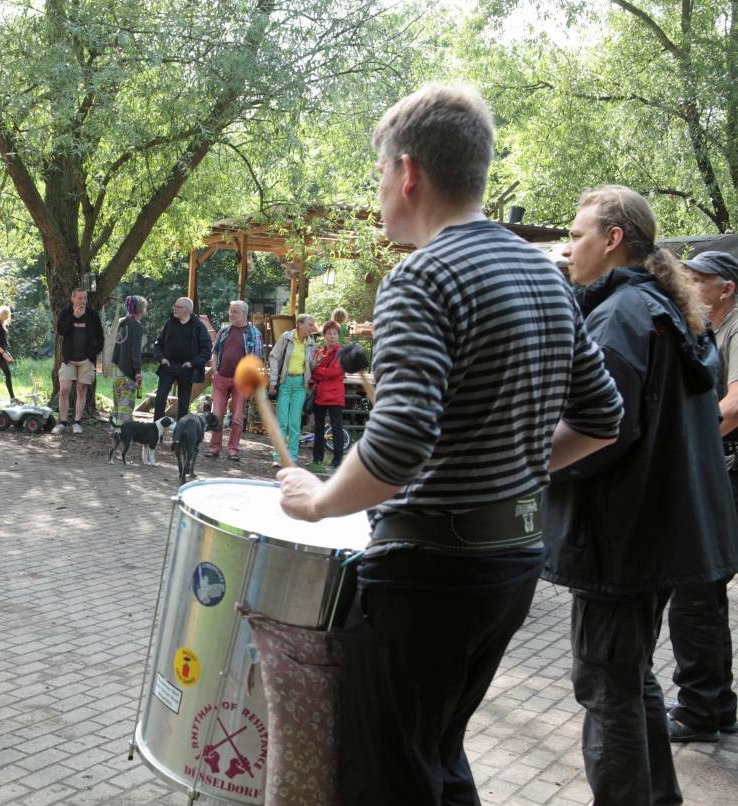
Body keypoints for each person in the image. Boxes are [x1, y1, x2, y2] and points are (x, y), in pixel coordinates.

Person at [277, 84, 623, 805]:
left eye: (378, 176)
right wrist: (517, 476)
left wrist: (320, 502)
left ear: (409, 173)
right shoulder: (545, 274)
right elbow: (601, 416)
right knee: (436, 758)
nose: (378, 194)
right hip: (511, 568)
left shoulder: (422, 277)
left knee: (385, 778)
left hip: (428, 575)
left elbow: (400, 442)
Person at [543, 187, 738, 803]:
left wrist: (524, 458)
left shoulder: (623, 316)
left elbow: (601, 430)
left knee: (606, 687)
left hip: (621, 540)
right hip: (654, 536)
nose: (570, 246)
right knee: (629, 681)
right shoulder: (664, 309)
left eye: (577, 234)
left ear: (613, 238)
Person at [668, 250, 738, 743]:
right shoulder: (706, 326)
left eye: (698, 278)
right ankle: (716, 705)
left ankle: (700, 710)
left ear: (726, 288)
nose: (688, 283)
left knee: (695, 589)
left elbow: (734, 406)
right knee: (702, 592)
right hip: (717, 470)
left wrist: (688, 439)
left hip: (727, 473)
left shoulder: (737, 327)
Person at [207, 299, 263, 460]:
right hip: (221, 377)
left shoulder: (254, 333)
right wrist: (215, 369)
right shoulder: (224, 330)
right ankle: (214, 448)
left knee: (237, 417)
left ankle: (233, 449)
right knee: (217, 414)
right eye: (230, 311)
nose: (231, 314)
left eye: (235, 312)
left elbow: (256, 360)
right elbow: (215, 351)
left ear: (244, 314)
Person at [267, 313, 317, 466]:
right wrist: (273, 382)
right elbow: (274, 357)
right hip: (285, 382)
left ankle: (293, 457)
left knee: (295, 422)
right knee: (282, 422)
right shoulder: (286, 338)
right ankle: (278, 457)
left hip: (300, 385)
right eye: (309, 324)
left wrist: (317, 363)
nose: (312, 327)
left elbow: (311, 366)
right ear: (300, 324)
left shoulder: (311, 343)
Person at [152, 296, 212, 420]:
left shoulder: (198, 327)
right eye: (175, 306)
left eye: (178, 307)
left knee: (184, 404)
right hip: (168, 366)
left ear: (187, 310)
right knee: (160, 398)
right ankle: (156, 433)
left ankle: (180, 435)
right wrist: (161, 358)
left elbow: (206, 350)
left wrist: (192, 363)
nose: (174, 308)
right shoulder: (170, 323)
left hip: (187, 369)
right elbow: (158, 343)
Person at [53, 288, 104, 433]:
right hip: (69, 359)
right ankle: (62, 422)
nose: (83, 301)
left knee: (82, 390)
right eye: (80, 298)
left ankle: (77, 422)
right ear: (73, 299)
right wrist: (74, 317)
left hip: (86, 360)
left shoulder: (93, 315)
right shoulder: (66, 313)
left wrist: (94, 353)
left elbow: (100, 337)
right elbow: (61, 330)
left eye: (85, 298)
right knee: (63, 390)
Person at [308, 319, 345, 474]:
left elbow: (335, 372)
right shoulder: (319, 352)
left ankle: (337, 460)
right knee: (318, 428)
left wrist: (318, 370)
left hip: (335, 395)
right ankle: (317, 458)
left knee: (336, 428)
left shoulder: (341, 353)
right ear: (324, 336)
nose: (332, 336)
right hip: (320, 395)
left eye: (335, 333)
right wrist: (317, 372)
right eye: (329, 333)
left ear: (338, 336)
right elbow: (312, 373)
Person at [111, 295, 148, 424]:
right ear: (141, 309)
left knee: (117, 401)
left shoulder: (121, 323)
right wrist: (137, 371)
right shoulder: (136, 326)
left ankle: (115, 428)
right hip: (128, 370)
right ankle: (123, 431)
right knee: (126, 404)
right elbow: (135, 350)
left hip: (117, 369)